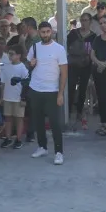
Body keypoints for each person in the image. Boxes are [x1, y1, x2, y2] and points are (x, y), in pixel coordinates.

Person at [25, 20, 68, 164]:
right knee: (38, 121)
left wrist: (61, 93)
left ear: (52, 32)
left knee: (55, 123)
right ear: (39, 33)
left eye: (48, 32)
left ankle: (59, 152)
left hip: (52, 90)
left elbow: (64, 72)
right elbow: (28, 65)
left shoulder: (59, 49)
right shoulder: (35, 47)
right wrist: (30, 64)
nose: (45, 34)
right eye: (43, 32)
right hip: (35, 89)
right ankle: (42, 146)